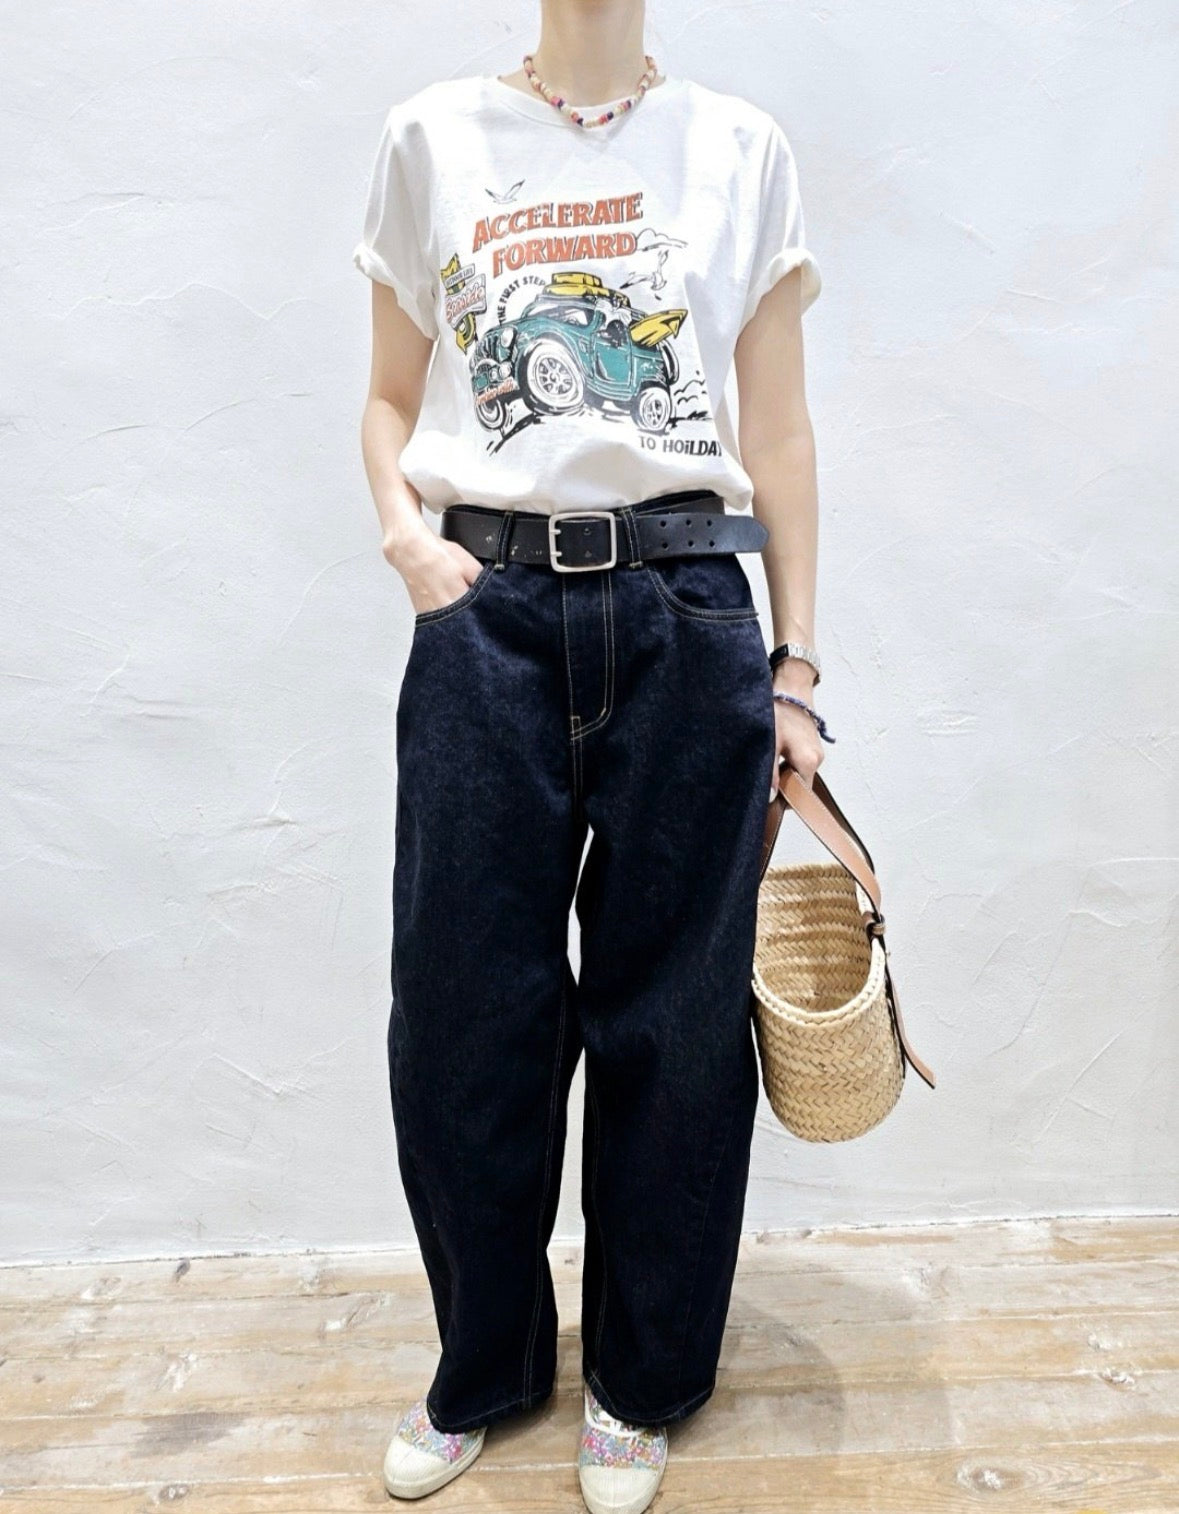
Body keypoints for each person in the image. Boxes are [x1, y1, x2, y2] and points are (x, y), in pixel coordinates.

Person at [353, 5, 825, 1509]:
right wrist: (409, 542)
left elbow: (781, 434)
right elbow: (388, 394)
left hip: (687, 607)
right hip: (484, 615)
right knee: (460, 1013)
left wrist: (797, 668)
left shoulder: (739, 148)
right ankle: (484, 1365)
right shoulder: (433, 138)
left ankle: (641, 1377)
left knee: (674, 1025)